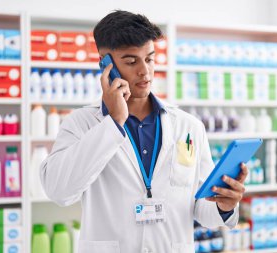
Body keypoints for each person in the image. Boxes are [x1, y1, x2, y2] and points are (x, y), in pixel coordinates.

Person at [40, 10, 248, 253]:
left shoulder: (187, 126)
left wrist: (224, 205)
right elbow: (59, 191)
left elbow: (201, 211)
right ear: (106, 64)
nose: (145, 72)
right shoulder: (81, 123)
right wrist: (113, 123)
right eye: (131, 61)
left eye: (149, 59)